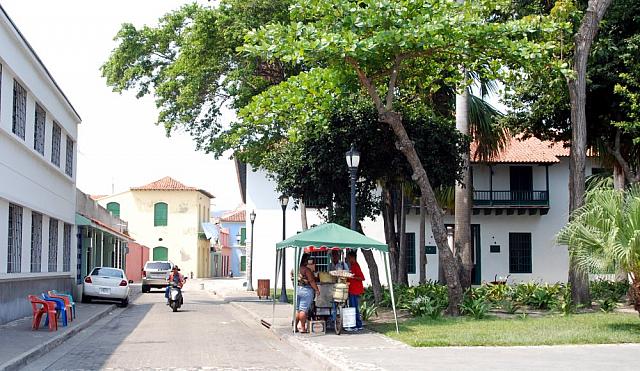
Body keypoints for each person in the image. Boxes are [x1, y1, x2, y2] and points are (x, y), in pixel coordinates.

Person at [295, 253, 320, 333]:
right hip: (306, 290)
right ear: (305, 261)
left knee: (297, 309)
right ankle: (303, 328)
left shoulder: (295, 268)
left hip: (297, 289)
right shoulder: (306, 270)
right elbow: (312, 281)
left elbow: (292, 277)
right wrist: (317, 290)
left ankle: (295, 327)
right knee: (303, 310)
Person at [346, 250, 365, 331]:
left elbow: (362, 278)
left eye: (349, 258)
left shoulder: (356, 265)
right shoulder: (352, 266)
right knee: (353, 307)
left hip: (355, 290)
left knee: (354, 308)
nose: (348, 259)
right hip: (352, 289)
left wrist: (352, 277)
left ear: (352, 258)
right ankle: (357, 325)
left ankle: (356, 325)